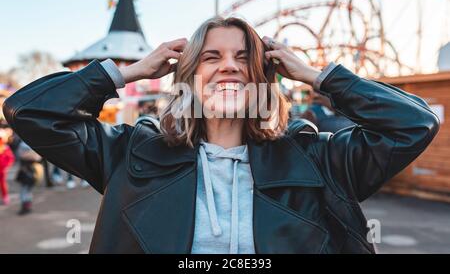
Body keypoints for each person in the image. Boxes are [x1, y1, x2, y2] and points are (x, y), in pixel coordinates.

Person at [2, 16, 439, 253]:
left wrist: (318, 76)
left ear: (264, 78)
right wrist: (125, 72)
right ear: (189, 79)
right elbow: (30, 111)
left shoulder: (318, 160)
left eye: (243, 57)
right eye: (211, 57)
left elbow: (414, 123)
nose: (228, 65)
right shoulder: (131, 153)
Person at [0, 128, 15, 205]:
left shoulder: (5, 148)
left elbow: (10, 158)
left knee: (3, 184)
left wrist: (6, 166)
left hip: (2, 170)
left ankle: (5, 197)